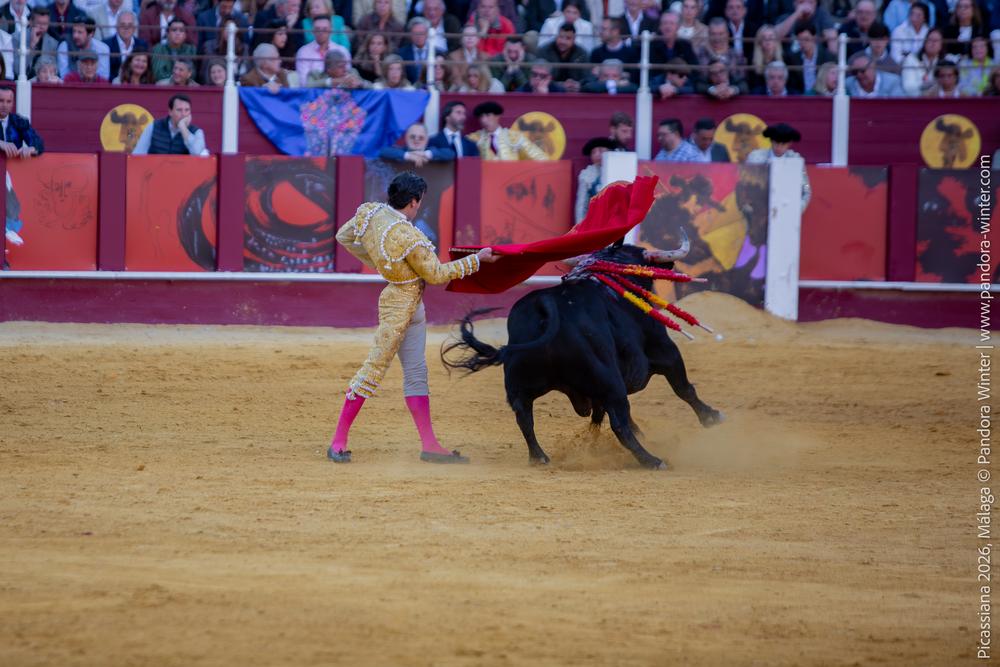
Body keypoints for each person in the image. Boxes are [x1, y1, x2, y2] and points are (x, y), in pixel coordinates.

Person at [328, 172, 498, 464]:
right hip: (398, 308)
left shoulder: (371, 212)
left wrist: (379, 262)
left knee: (416, 372)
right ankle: (338, 441)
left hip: (409, 305)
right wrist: (476, 260)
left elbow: (343, 236)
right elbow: (436, 275)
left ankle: (430, 444)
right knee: (374, 368)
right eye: (420, 201)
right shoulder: (409, 237)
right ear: (414, 202)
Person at [0, 87, 44, 254]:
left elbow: (38, 143)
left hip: (12, 176)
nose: (4, 105)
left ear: (12, 103)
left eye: (8, 101)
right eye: (0, 101)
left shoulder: (19, 122)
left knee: (12, 208)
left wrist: (31, 148)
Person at [746, 122, 810, 210]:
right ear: (771, 141)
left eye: (783, 144)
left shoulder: (796, 161)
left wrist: (796, 209)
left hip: (786, 209)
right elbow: (745, 184)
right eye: (776, 143)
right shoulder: (756, 158)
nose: (779, 147)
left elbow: (806, 188)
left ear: (789, 143)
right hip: (758, 210)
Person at [468, 101, 548, 161]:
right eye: (481, 117)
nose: (483, 120)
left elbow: (540, 157)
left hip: (511, 177)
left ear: (497, 116)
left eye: (488, 115)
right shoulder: (474, 138)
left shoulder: (514, 137)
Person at [132, 94, 206, 155]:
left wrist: (183, 128)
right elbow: (138, 154)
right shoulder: (154, 127)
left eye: (187, 110)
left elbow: (197, 154)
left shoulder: (197, 132)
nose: (183, 114)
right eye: (179, 110)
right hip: (154, 168)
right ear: (170, 112)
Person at [575, 137, 621, 224]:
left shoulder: (619, 170)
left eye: (601, 150)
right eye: (593, 152)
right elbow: (581, 205)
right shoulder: (587, 175)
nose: (597, 155)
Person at [295, 14, 350, 83]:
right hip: (313, 89)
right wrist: (329, 83)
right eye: (317, 29)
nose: (321, 32)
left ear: (331, 30)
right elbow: (304, 81)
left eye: (325, 29)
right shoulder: (303, 52)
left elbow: (347, 76)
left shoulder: (342, 50)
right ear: (312, 31)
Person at [538, 22, 589, 90]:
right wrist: (560, 85)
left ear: (574, 39)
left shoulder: (582, 53)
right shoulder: (544, 51)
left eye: (568, 38)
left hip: (575, 91)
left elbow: (587, 77)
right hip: (550, 90)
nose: (563, 41)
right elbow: (539, 76)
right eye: (561, 37)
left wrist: (577, 84)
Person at [785, 22, 833, 94]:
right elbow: (793, 85)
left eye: (806, 39)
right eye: (800, 40)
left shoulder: (828, 57)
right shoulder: (793, 59)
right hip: (801, 97)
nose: (803, 43)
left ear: (814, 38)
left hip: (822, 95)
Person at [379, 122, 456, 165]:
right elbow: (382, 151)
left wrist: (426, 154)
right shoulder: (400, 151)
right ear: (406, 138)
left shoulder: (432, 151)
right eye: (412, 137)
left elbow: (450, 153)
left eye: (421, 137)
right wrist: (408, 156)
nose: (416, 140)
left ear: (427, 139)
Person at [902, 27, 947, 96]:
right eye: (930, 40)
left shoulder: (946, 62)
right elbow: (908, 87)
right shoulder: (911, 60)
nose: (933, 43)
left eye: (936, 41)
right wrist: (927, 85)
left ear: (941, 45)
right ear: (925, 42)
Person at [103, 11, 148, 79]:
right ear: (116, 27)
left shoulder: (142, 45)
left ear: (134, 28)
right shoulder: (106, 45)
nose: (126, 28)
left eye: (130, 25)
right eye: (122, 25)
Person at [396, 17, 431, 84]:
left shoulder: (436, 52)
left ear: (427, 34)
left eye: (421, 33)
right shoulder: (401, 53)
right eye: (415, 33)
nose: (418, 36)